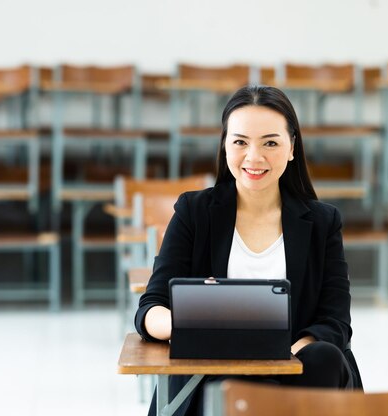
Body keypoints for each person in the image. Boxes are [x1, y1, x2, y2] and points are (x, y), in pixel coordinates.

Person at [135, 85, 363, 415]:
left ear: (291, 147)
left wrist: (283, 359)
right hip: (214, 375)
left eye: (270, 142)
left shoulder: (324, 222)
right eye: (240, 142)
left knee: (325, 355)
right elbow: (150, 309)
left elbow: (335, 320)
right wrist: (197, 329)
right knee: (232, 380)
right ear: (225, 146)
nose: (254, 157)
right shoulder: (193, 212)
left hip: (299, 374)